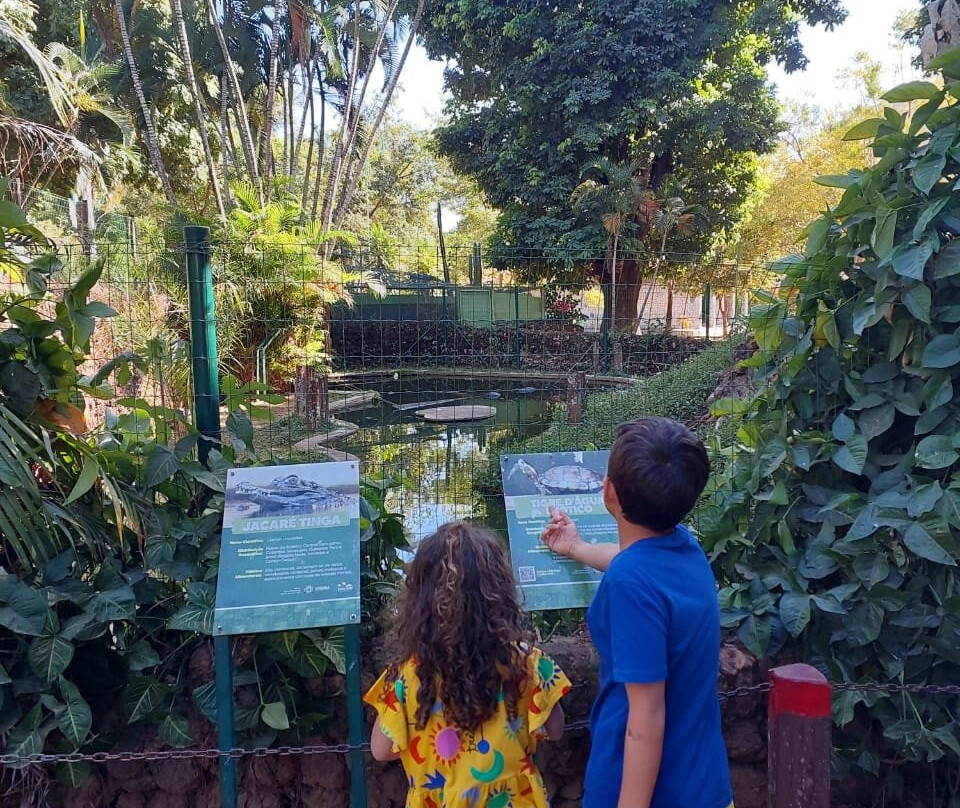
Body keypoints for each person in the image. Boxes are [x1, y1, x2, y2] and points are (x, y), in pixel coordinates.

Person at [541, 417, 733, 808]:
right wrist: (576, 547)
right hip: (703, 784)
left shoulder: (630, 584)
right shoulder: (684, 548)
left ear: (608, 490)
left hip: (649, 793)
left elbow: (645, 718)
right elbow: (632, 560)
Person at [364, 521, 571, 808]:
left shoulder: (407, 675)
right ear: (500, 591)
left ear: (419, 600)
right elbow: (555, 729)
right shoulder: (526, 662)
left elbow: (380, 750)